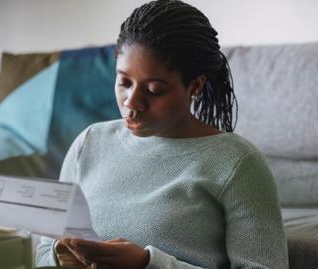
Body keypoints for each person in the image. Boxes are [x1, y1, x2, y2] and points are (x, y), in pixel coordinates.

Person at [36, 0, 288, 268]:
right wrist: (58, 257)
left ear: (195, 86)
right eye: (124, 82)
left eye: (154, 90)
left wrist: (147, 264)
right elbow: (42, 251)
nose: (131, 102)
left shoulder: (237, 165)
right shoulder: (89, 143)